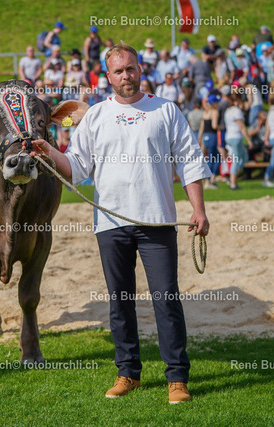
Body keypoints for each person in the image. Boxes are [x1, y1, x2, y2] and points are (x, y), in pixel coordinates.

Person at [28, 43, 210, 405]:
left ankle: (177, 378)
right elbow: (76, 167)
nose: (125, 75)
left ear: (140, 70)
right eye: (118, 71)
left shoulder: (166, 110)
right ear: (108, 77)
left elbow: (189, 160)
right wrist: (48, 151)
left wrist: (199, 210)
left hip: (157, 220)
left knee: (166, 299)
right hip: (110, 223)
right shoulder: (96, 115)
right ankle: (128, 373)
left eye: (130, 68)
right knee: (120, 301)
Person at [223, 92, 252, 190]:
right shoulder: (237, 111)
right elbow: (242, 127)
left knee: (243, 157)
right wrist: (249, 140)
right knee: (237, 160)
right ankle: (233, 183)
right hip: (236, 137)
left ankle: (233, 177)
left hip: (229, 137)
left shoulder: (228, 111)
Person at [197, 94, 221, 189]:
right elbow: (214, 126)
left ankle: (209, 180)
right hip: (212, 136)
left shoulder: (206, 112)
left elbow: (201, 128)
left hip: (206, 137)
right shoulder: (214, 112)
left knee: (210, 158)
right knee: (216, 158)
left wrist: (199, 138)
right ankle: (210, 180)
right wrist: (221, 127)